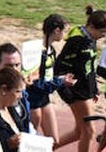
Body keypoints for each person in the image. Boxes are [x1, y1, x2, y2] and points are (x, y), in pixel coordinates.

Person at [54, 7, 106, 152]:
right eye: (101, 32)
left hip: (86, 92)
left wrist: (94, 90)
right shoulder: (76, 41)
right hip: (76, 93)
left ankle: (46, 150)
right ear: (91, 26)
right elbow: (60, 67)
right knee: (89, 131)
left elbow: (89, 68)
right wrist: (67, 93)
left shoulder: (90, 40)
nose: (103, 36)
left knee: (80, 131)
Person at [27, 13, 76, 142]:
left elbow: (48, 75)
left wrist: (61, 78)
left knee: (54, 140)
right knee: (32, 139)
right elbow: (34, 82)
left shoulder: (51, 50)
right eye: (64, 31)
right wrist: (60, 82)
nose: (65, 35)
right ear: (56, 30)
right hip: (33, 100)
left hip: (44, 97)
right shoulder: (36, 52)